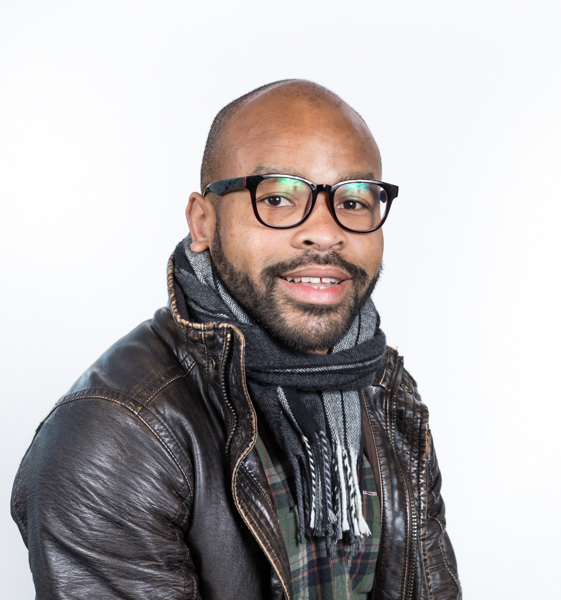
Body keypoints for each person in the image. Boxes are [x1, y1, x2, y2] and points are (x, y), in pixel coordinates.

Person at [11, 80, 461, 599]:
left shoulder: (383, 391)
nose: (325, 232)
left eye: (354, 201)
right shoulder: (115, 434)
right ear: (203, 222)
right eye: (277, 198)